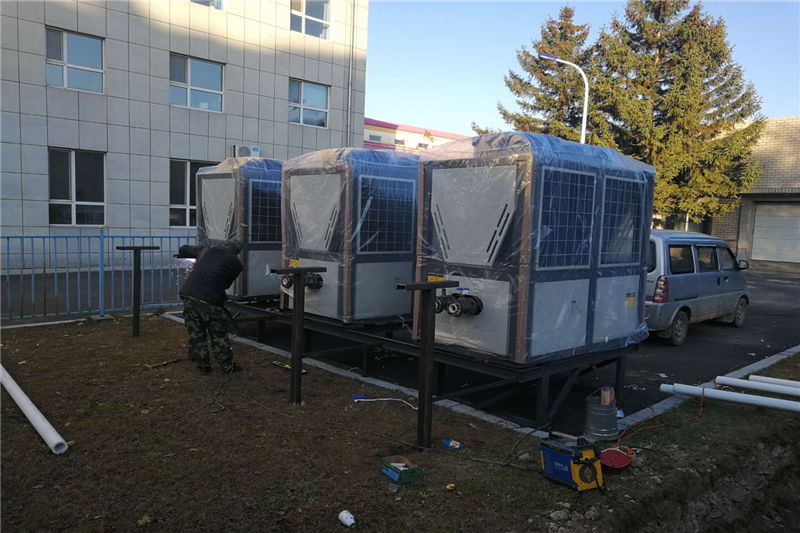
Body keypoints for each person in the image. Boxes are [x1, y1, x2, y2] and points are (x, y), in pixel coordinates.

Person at [177, 238, 244, 374]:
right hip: (210, 298)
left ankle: (203, 366)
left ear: (225, 245)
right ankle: (226, 366)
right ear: (238, 251)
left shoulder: (209, 249)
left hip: (189, 294)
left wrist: (202, 247)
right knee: (217, 333)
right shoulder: (237, 265)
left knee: (196, 332)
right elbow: (226, 284)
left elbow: (183, 249)